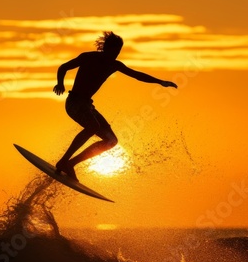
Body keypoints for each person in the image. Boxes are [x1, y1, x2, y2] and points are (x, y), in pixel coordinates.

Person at [53, 31, 177, 181]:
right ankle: (63, 161)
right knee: (92, 126)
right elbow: (63, 67)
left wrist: (160, 82)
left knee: (111, 141)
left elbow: (137, 74)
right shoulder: (88, 57)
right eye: (114, 51)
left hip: (87, 105)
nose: (116, 54)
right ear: (106, 48)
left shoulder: (114, 65)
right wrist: (60, 83)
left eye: (118, 51)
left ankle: (71, 163)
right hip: (74, 103)